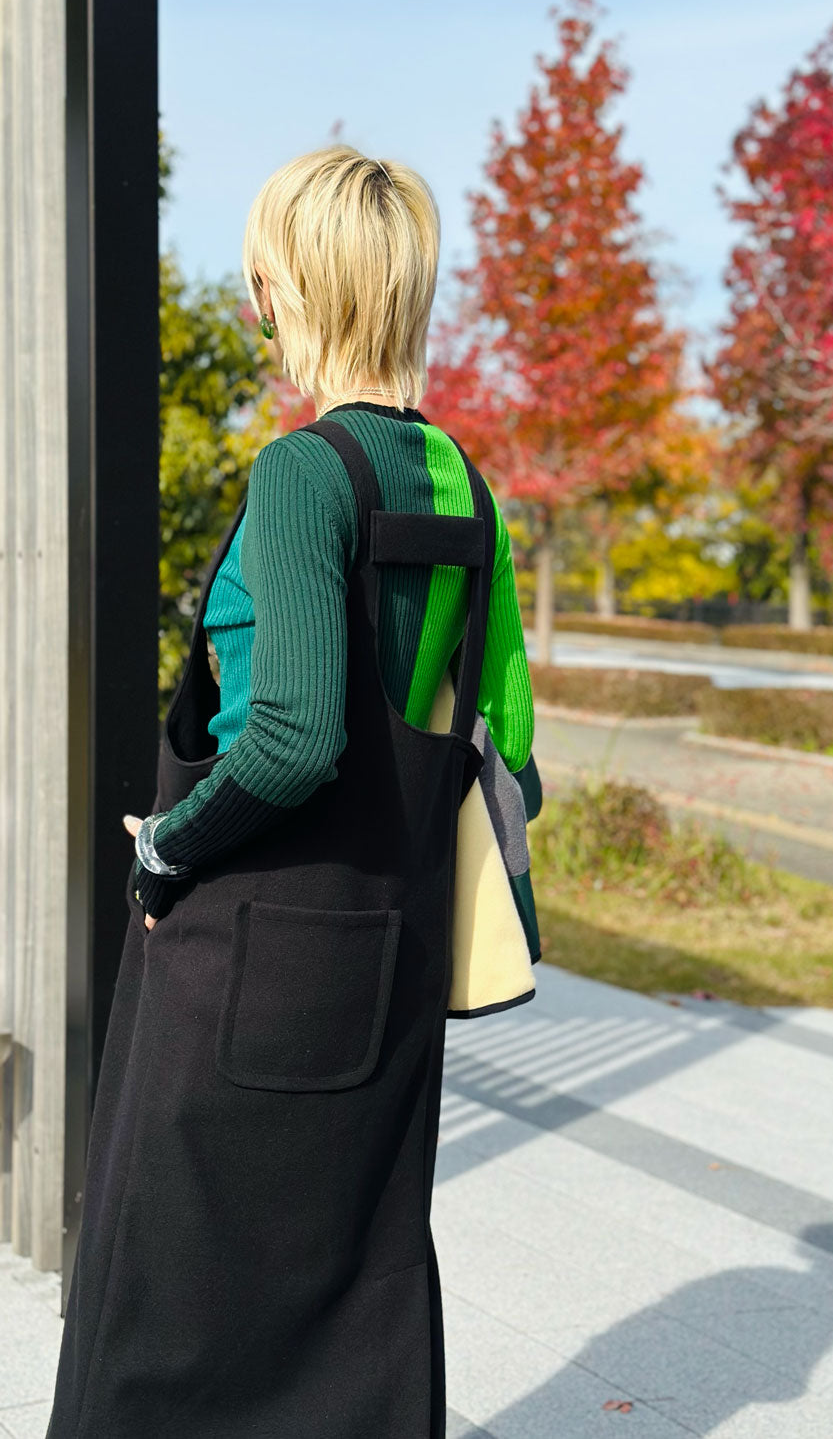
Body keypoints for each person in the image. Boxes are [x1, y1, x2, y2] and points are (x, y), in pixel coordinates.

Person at [47, 145, 535, 1439]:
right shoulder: (466, 489)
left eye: (259, 271)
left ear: (289, 287)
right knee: (350, 1284)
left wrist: (166, 850)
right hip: (386, 959)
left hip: (246, 952)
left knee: (168, 1297)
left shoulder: (303, 473)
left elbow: (291, 737)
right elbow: (512, 745)